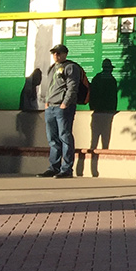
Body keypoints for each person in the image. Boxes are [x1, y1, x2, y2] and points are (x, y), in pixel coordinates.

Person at [42, 44, 85, 179]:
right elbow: (50, 86)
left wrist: (65, 103)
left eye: (59, 53)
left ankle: (66, 168)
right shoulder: (52, 68)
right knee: (52, 138)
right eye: (54, 53)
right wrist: (47, 102)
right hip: (51, 106)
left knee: (65, 136)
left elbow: (72, 86)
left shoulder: (70, 67)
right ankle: (53, 167)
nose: (56, 55)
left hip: (63, 107)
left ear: (65, 54)